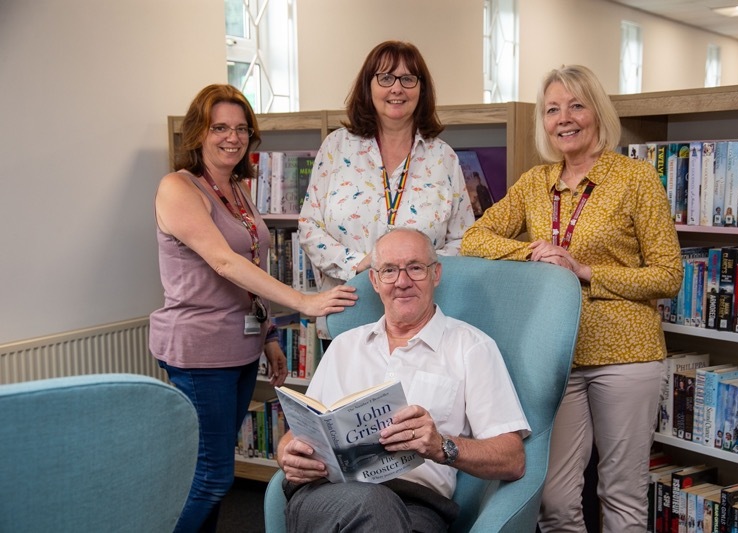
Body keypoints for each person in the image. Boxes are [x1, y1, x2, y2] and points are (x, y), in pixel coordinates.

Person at [460, 65, 682, 532]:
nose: (564, 118)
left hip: (626, 354)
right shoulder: (535, 182)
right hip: (557, 356)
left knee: (620, 495)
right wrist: (537, 255)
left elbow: (668, 276)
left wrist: (582, 270)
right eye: (552, 109)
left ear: (597, 112)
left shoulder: (636, 180)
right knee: (555, 500)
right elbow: (475, 238)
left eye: (576, 105)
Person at [150, 84, 357, 532]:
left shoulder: (236, 189)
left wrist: (268, 338)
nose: (232, 137)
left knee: (211, 475)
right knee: (210, 476)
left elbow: (251, 264)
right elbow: (224, 262)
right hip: (199, 351)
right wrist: (304, 301)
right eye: (219, 127)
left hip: (240, 349)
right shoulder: (178, 187)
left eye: (241, 128)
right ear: (197, 133)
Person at [277, 228, 530, 532]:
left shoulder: (471, 348)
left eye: (415, 268)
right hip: (326, 494)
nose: (402, 281)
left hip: (418, 505)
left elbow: (513, 459)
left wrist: (440, 446)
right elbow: (299, 433)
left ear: (436, 273)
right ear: (374, 281)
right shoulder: (344, 346)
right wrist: (286, 454)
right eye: (389, 270)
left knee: (379, 510)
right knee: (373, 504)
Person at [298, 40, 475, 337]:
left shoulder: (442, 157)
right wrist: (359, 264)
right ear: (369, 87)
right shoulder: (336, 147)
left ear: (421, 89)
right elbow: (308, 226)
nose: (397, 88)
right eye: (386, 78)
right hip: (349, 312)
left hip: (421, 321)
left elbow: (464, 239)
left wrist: (415, 270)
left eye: (408, 79)